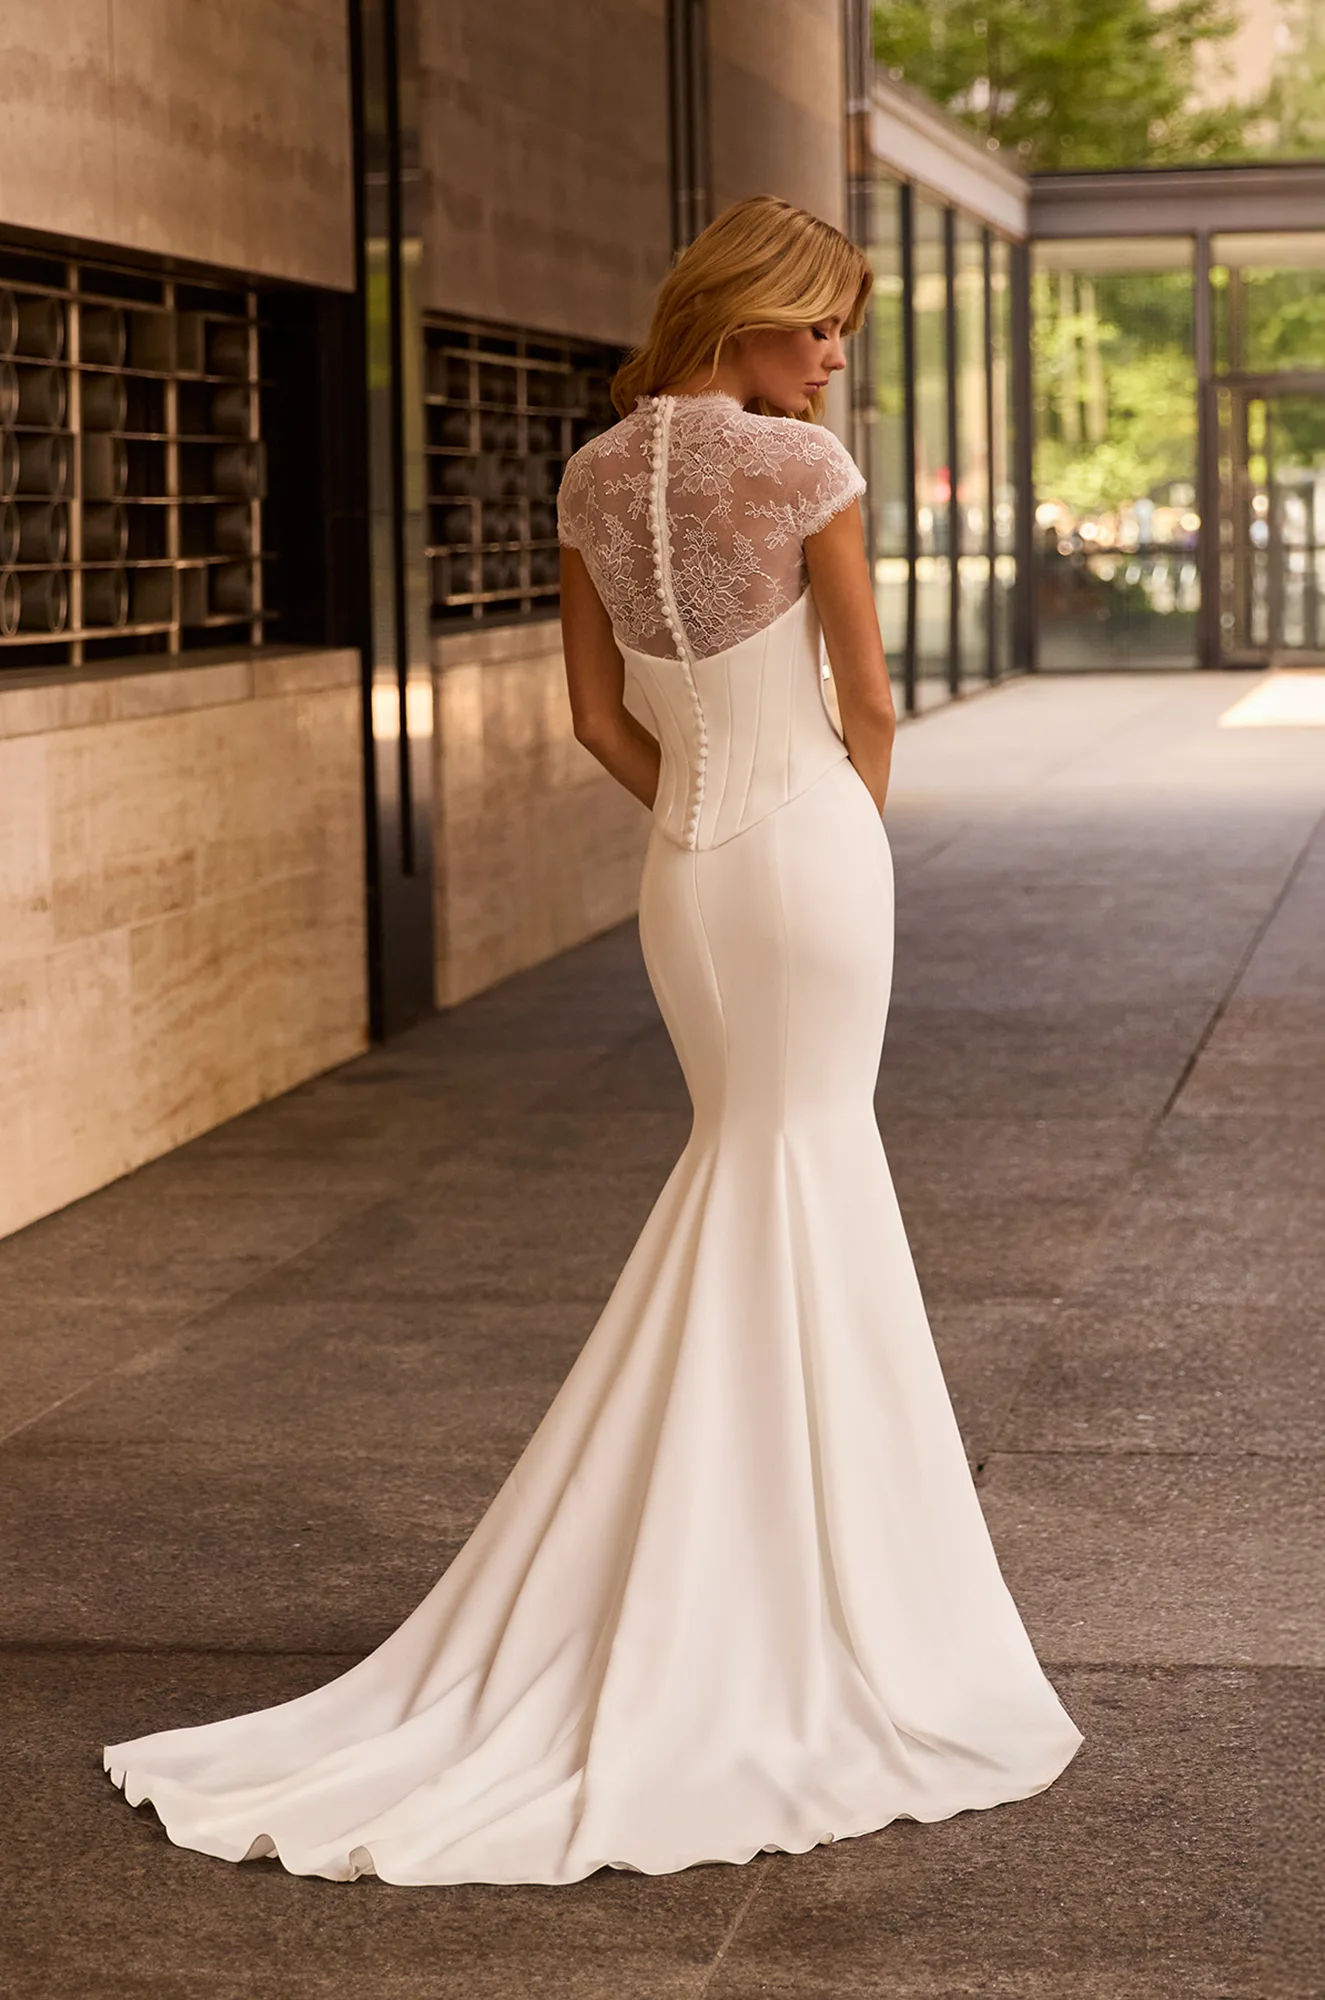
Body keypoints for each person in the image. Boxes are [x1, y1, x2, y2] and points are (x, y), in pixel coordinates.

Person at [104, 196, 1081, 1885]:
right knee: (805, 1175)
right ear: (747, 314)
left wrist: (694, 824)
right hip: (809, 858)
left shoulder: (587, 476)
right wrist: (839, 835)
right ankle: (807, 1599)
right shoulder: (804, 477)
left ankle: (711, 1570)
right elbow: (868, 701)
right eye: (821, 323)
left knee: (747, 1174)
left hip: (686, 878)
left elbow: (590, 718)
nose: (838, 356)